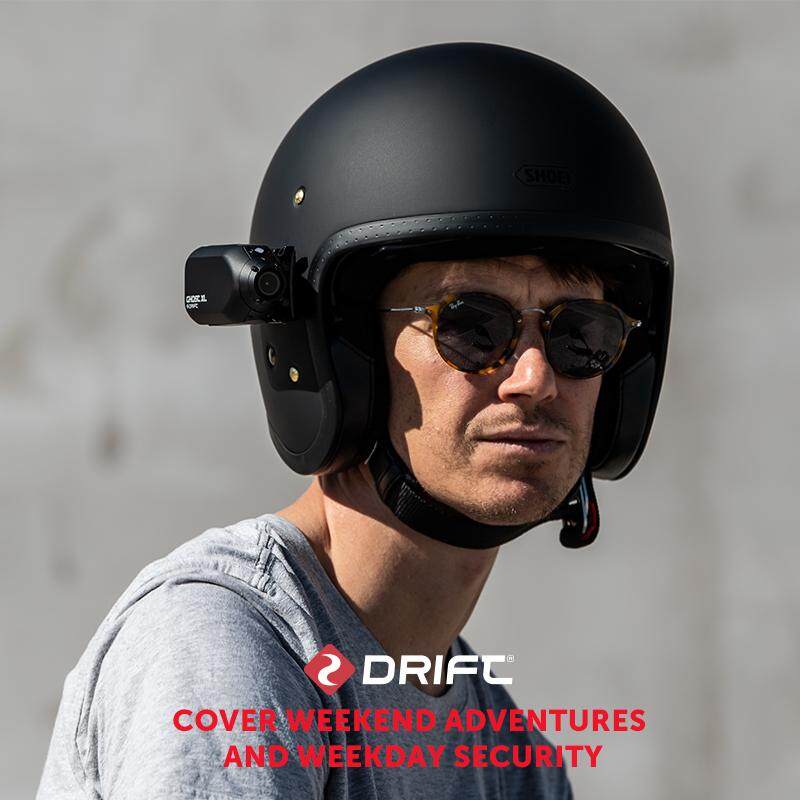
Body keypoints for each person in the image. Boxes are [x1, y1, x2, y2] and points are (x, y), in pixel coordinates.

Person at [37, 42, 673, 799]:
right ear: (344, 356)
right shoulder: (223, 644)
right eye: (473, 326)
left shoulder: (511, 755)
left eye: (582, 335)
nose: (535, 377)